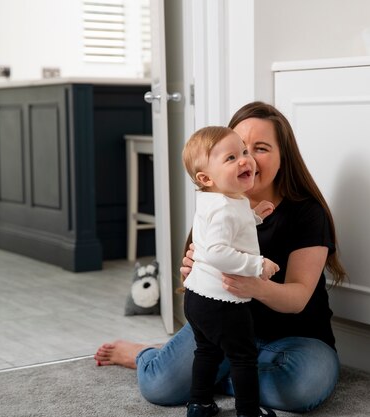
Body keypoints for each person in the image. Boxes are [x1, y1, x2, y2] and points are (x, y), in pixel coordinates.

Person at [94, 101, 346, 413]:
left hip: (296, 339)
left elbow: (297, 299)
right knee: (159, 385)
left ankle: (211, 376)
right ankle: (147, 355)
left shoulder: (307, 213)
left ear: (284, 157)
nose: (247, 159)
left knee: (302, 387)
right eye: (238, 149)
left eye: (260, 149)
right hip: (225, 326)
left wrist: (255, 286)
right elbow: (203, 274)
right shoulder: (217, 204)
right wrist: (194, 275)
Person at [181, 126, 279, 417]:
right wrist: (258, 266)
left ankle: (199, 404)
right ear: (206, 178)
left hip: (197, 296)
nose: (244, 160)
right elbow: (216, 252)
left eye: (245, 152)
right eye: (231, 157)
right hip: (222, 301)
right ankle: (248, 412)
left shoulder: (219, 199)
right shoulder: (225, 208)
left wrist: (254, 216)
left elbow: (232, 226)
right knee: (244, 357)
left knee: (207, 351)